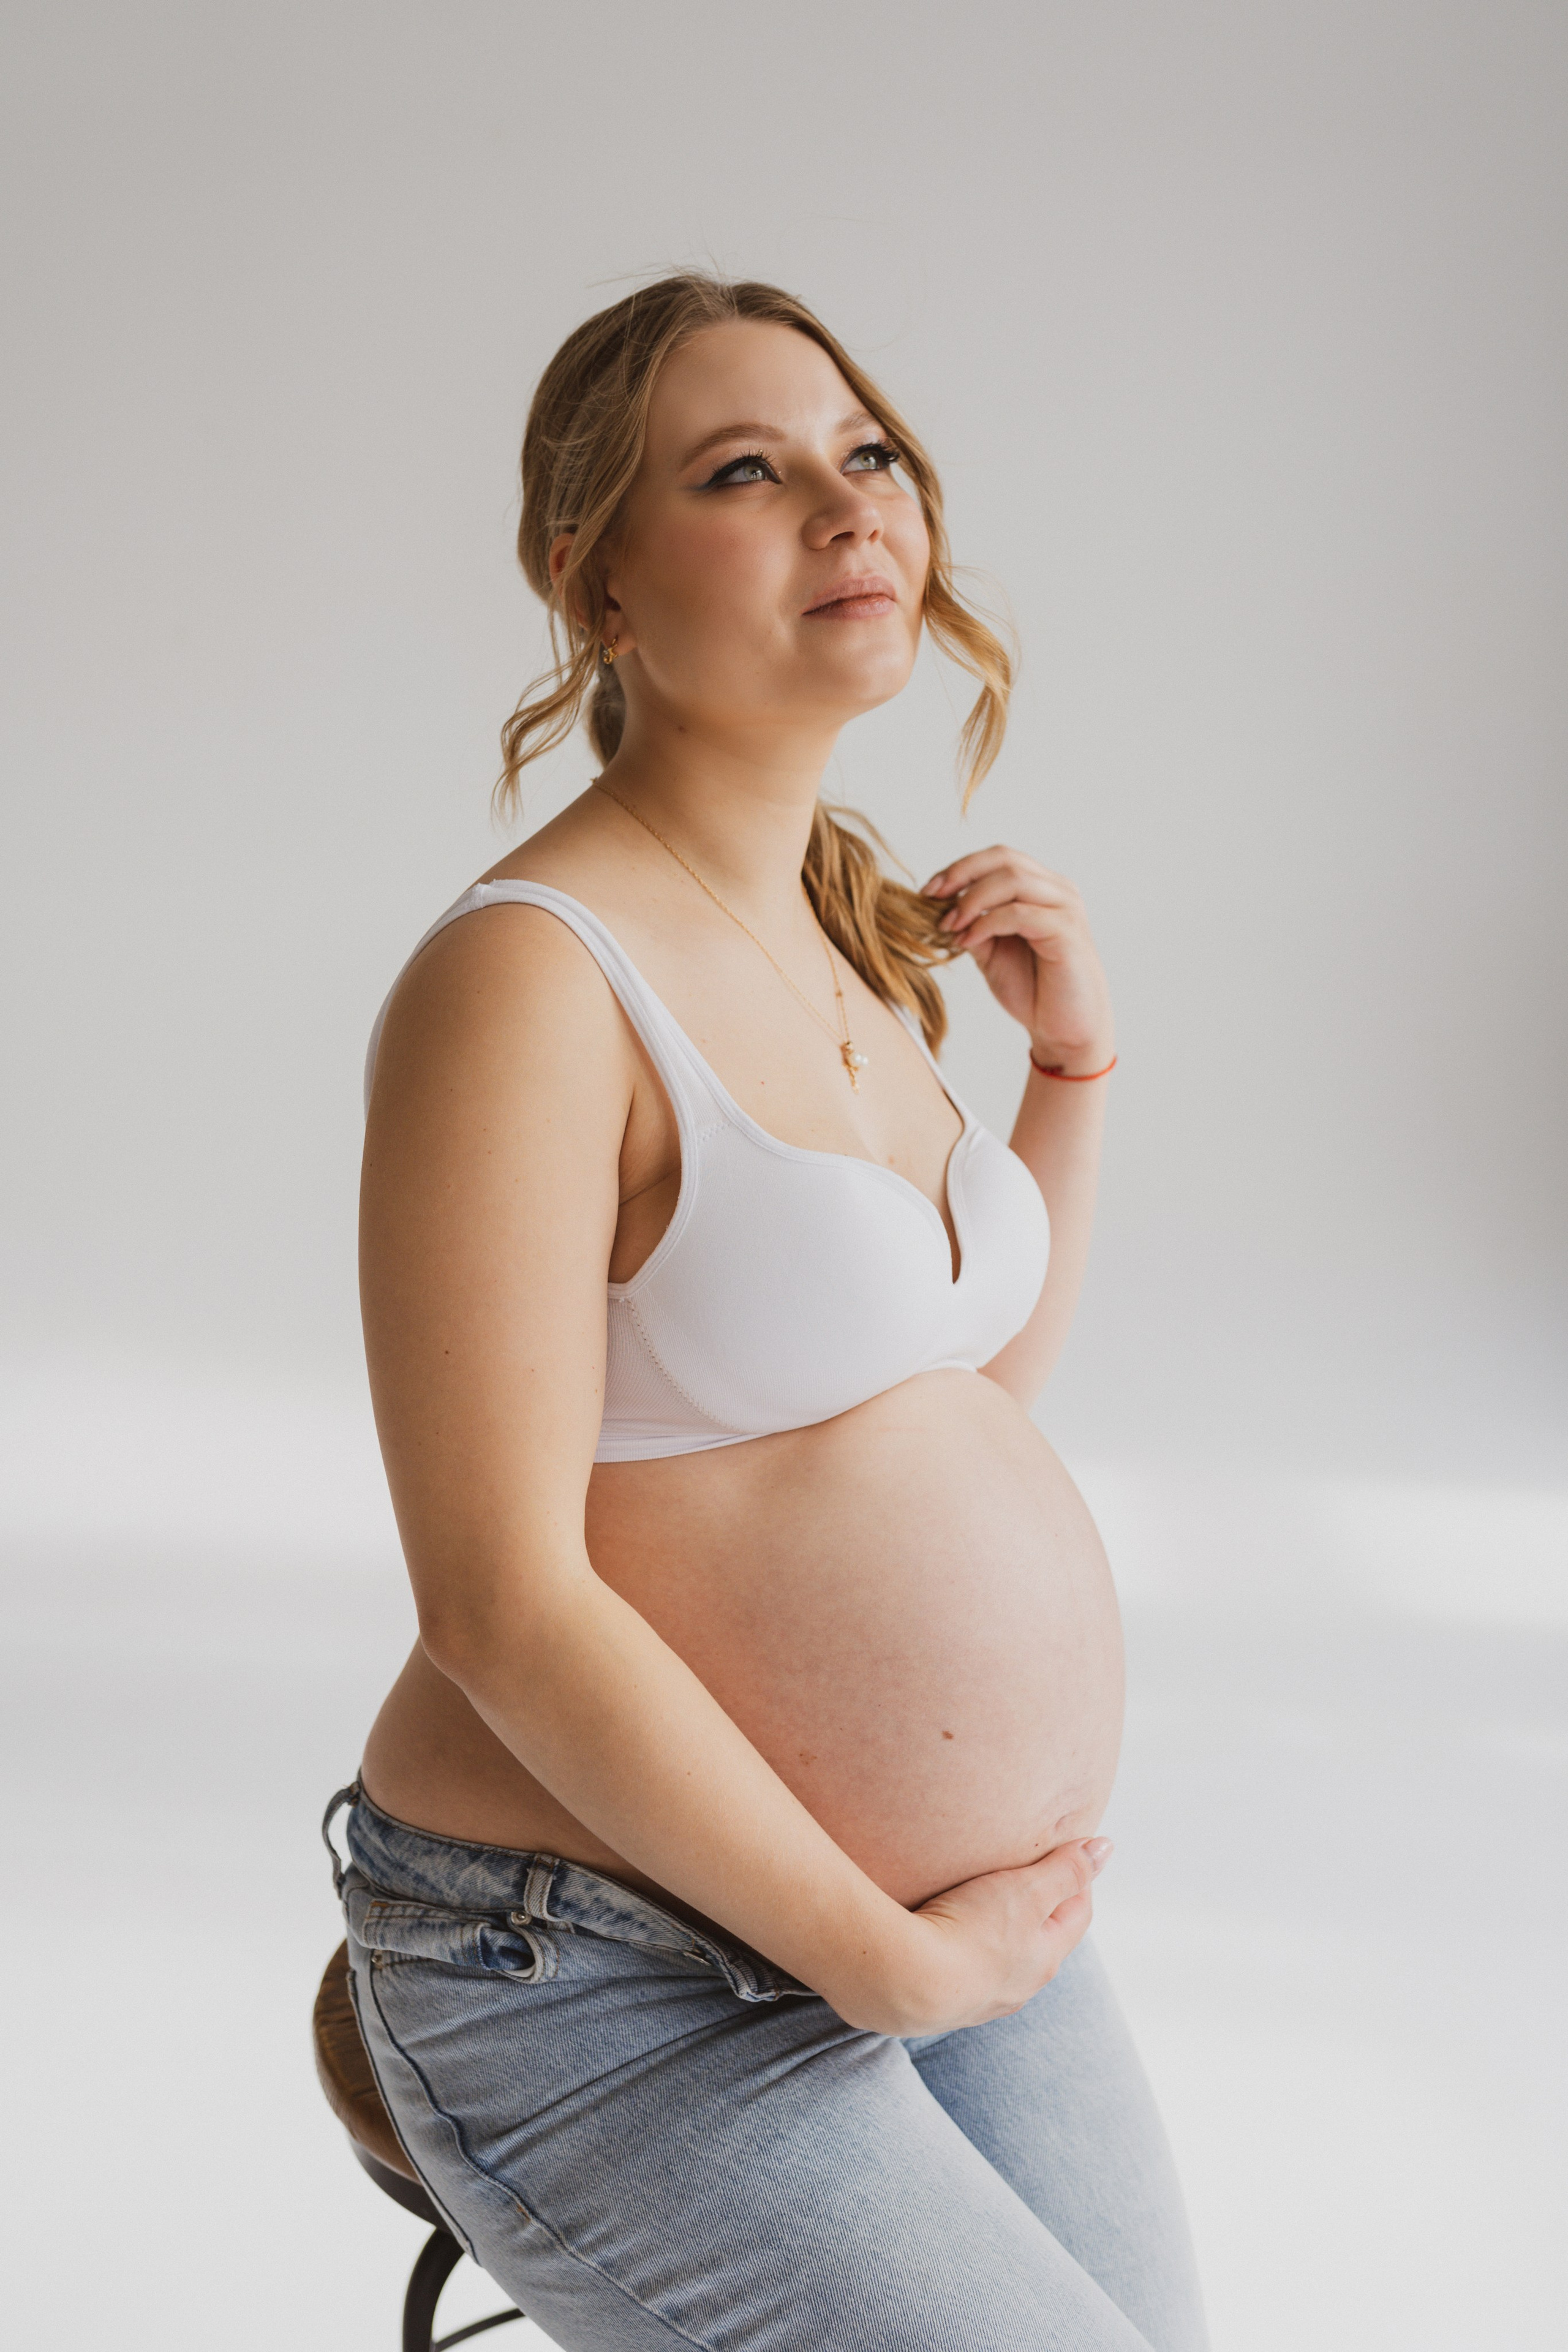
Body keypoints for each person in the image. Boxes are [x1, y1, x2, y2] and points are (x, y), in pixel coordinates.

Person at [327, 273, 1208, 2350]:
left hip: (924, 1918)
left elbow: (936, 1403)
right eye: (748, 470)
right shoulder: (528, 983)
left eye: (867, 453)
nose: (848, 506)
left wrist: (1065, 1086)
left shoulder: (847, 930)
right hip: (602, 1959)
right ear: (597, 579)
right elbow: (497, 1600)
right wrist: (883, 1969)